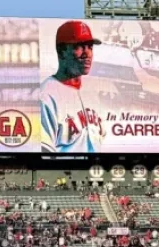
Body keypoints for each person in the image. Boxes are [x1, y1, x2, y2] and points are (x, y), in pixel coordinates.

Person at [41, 20, 106, 153]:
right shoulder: (46, 95)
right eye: (80, 47)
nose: (87, 54)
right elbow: (44, 152)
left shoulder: (92, 93)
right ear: (61, 51)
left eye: (90, 47)